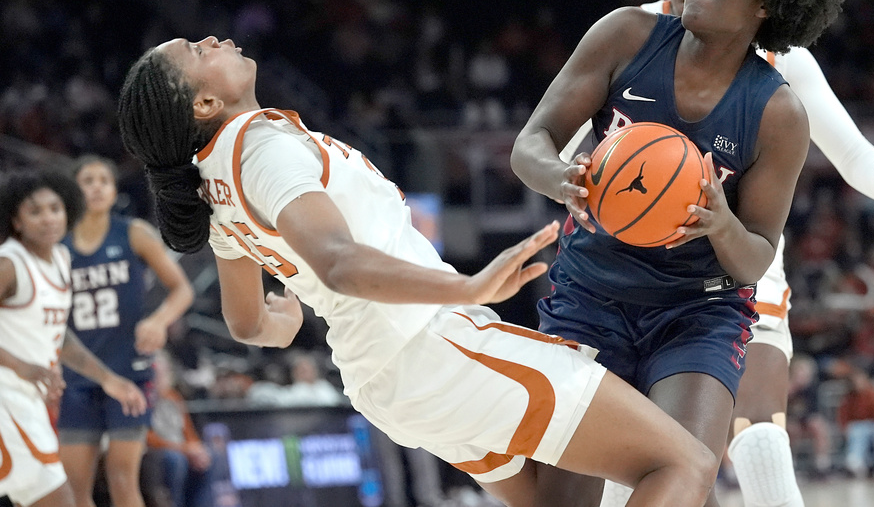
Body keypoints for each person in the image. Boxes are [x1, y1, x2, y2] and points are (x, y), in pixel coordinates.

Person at [115, 36, 719, 507]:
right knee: (683, 464)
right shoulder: (262, 149)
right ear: (204, 103)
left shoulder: (210, 185)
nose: (215, 40)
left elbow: (248, 324)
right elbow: (337, 261)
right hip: (433, 345)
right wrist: (468, 286)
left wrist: (287, 313)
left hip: (388, 382)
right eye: (198, 52)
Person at [566, 0, 874, 507]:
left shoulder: (784, 61)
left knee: (759, 433)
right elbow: (566, 149)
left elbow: (856, 157)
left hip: (738, 263)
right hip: (627, 270)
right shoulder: (630, 35)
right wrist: (571, 179)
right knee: (634, 461)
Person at [511, 0, 845, 507]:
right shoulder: (625, 34)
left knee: (686, 472)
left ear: (766, 3)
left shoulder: (777, 113)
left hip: (697, 311)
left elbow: (755, 256)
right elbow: (532, 143)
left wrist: (721, 222)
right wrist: (562, 177)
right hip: (590, 296)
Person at [0, 169, 148, 507]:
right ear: (16, 221)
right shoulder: (10, 263)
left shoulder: (61, 259)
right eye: (34, 211)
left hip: (27, 399)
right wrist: (21, 366)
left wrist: (109, 379)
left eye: (55, 208)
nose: (48, 218)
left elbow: (59, 335)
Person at [58, 155, 196, 507]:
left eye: (104, 180)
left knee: (122, 477)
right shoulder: (59, 246)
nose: (97, 187)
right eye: (88, 180)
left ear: (114, 189)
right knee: (74, 487)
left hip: (130, 371)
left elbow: (182, 289)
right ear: (74, 189)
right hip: (77, 375)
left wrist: (158, 320)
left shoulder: (134, 233)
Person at [140, 351, 213, 507]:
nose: (159, 378)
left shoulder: (173, 397)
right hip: (155, 452)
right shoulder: (142, 399)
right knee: (174, 460)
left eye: (163, 372)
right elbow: (147, 436)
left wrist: (197, 448)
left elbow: (188, 431)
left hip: (180, 449)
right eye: (155, 373)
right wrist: (185, 449)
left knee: (209, 457)